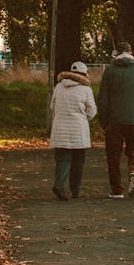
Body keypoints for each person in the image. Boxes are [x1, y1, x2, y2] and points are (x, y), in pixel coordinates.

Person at [97, 42, 134, 198]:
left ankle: (116, 190)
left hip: (114, 120)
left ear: (117, 53)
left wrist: (103, 121)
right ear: (131, 52)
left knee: (113, 155)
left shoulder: (110, 71)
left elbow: (103, 98)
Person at [48, 61, 97, 201]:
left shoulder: (59, 87)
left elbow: (53, 106)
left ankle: (59, 184)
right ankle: (75, 190)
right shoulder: (86, 89)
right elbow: (92, 111)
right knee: (78, 162)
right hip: (79, 130)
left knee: (62, 160)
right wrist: (83, 118)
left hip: (60, 128)